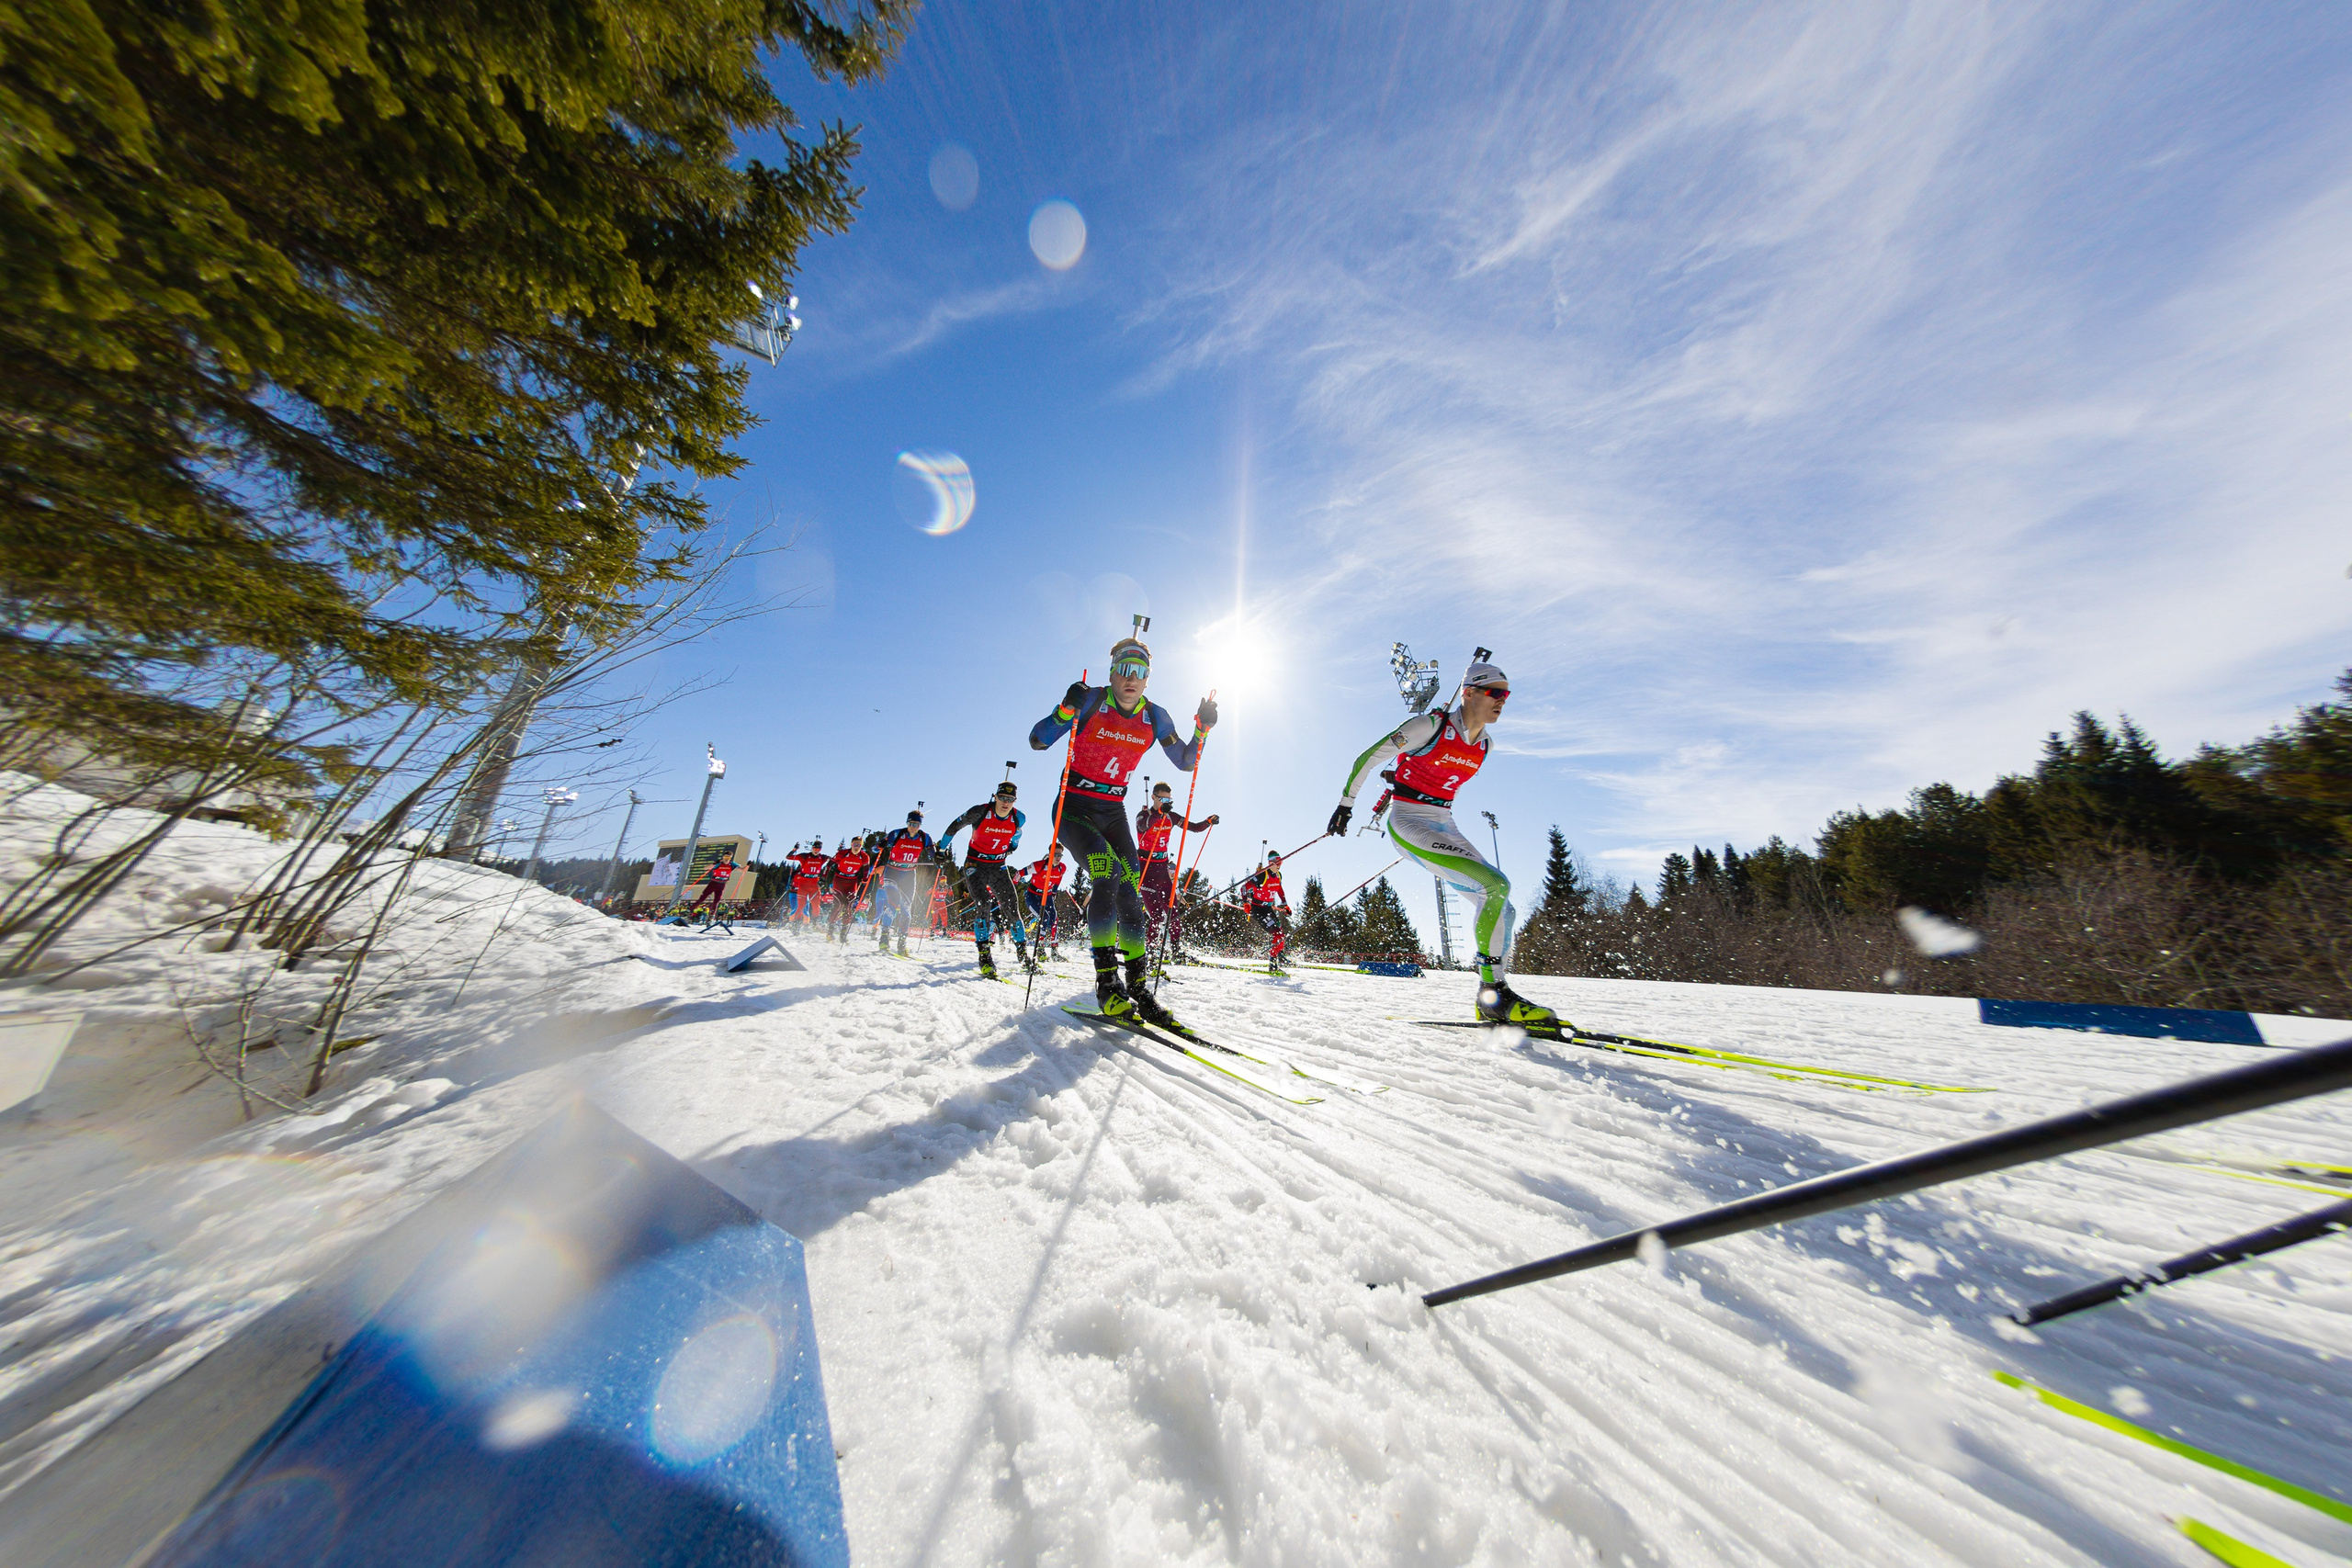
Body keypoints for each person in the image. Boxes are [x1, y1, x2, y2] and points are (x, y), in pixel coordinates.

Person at [1327, 656, 1564, 1029]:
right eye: (1493, 692)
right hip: (1409, 823)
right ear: (1468, 693)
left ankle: (1490, 998)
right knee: (1495, 884)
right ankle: (1495, 993)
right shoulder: (1428, 726)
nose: (1502, 699)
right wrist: (1346, 805)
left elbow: (1435, 778)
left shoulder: (1485, 744)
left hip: (1445, 824)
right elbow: (1367, 758)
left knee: (1504, 908)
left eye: (1507, 694)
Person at [1028, 637, 1216, 1025]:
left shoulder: (1156, 716)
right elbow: (1038, 741)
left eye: (1140, 672)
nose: (1132, 679)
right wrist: (1065, 710)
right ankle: (1106, 985)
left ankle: (1139, 987)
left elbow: (1184, 761)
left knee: (1132, 891)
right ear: (1112, 672)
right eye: (1125, 670)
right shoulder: (1092, 700)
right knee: (1107, 873)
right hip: (1074, 807)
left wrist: (1202, 730)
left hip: (1113, 810)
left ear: (1148, 679)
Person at [942, 782, 1031, 979]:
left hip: (998, 866)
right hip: (975, 864)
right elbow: (954, 826)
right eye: (1002, 798)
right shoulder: (980, 812)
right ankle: (984, 957)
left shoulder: (1019, 817)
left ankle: (1024, 956)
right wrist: (941, 849)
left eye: (1010, 799)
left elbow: (1017, 834)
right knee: (984, 902)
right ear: (995, 797)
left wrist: (1013, 845)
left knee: (1012, 907)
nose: (1006, 803)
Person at [1136, 781, 1217, 963]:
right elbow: (1143, 827)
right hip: (1145, 869)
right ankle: (1149, 952)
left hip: (1162, 870)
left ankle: (1176, 950)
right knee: (1156, 916)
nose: (1166, 802)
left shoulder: (1171, 816)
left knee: (1173, 912)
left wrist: (1208, 822)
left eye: (1169, 799)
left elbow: (1194, 827)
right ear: (1154, 797)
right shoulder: (1144, 815)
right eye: (1163, 798)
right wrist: (1159, 814)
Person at [876, 810, 935, 954]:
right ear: (907, 822)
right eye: (910, 823)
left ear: (920, 825)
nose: (913, 827)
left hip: (909, 875)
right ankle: (884, 938)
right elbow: (876, 847)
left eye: (916, 824)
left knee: (907, 911)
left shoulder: (925, 838)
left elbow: (933, 854)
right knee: (893, 902)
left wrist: (940, 858)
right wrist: (880, 845)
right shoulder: (897, 834)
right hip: (892, 872)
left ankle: (902, 943)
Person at [1241, 852, 1290, 973]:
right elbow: (1243, 887)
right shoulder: (1262, 875)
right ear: (1271, 862)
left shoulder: (1278, 875)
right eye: (1278, 863)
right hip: (1258, 910)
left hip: (1268, 909)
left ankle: (1279, 955)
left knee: (1281, 933)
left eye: (1281, 863)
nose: (1280, 865)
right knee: (1278, 935)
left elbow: (1279, 888)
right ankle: (1273, 961)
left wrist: (1285, 904)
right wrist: (1245, 902)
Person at [826, 835, 873, 942]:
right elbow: (830, 865)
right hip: (839, 880)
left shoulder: (864, 856)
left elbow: (866, 869)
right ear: (851, 844)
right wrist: (825, 878)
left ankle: (843, 935)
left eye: (859, 845)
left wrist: (865, 879)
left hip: (852, 882)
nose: (856, 847)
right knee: (837, 905)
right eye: (854, 844)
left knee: (848, 908)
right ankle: (830, 932)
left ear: (862, 846)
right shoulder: (843, 853)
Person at [1023, 850, 1068, 958]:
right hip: (1033, 897)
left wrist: (1054, 892)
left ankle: (1054, 951)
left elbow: (1057, 882)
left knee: (1054, 919)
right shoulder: (1040, 869)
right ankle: (1040, 950)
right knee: (1044, 918)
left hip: (1046, 896)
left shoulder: (1059, 870)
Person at [789, 840, 829, 928]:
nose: (816, 850)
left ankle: (814, 924)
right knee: (801, 906)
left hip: (814, 885)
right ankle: (796, 925)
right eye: (815, 848)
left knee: (816, 906)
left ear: (820, 850)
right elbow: (789, 857)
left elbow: (834, 861)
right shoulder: (804, 856)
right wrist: (794, 849)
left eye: (818, 849)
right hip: (803, 884)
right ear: (812, 848)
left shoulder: (822, 857)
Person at [688, 852, 735, 923]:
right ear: (723, 857)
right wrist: (714, 864)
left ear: (730, 858)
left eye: (728, 857)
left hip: (722, 884)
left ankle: (712, 915)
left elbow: (741, 869)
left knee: (717, 900)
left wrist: (747, 866)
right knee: (702, 898)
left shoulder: (732, 864)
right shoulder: (719, 863)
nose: (727, 859)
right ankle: (690, 910)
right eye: (725, 857)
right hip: (713, 883)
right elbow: (705, 868)